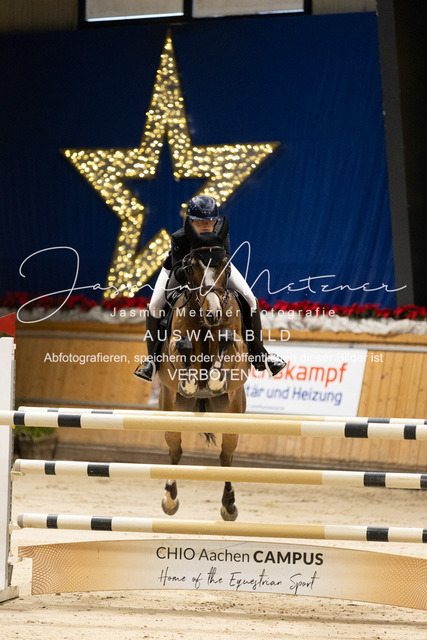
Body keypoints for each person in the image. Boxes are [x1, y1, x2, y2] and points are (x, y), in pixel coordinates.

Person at [134, 195, 286, 381]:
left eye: (210, 221)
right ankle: (152, 361)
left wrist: (212, 278)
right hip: (181, 271)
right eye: (200, 221)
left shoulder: (222, 235)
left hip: (216, 272)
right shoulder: (180, 237)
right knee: (155, 306)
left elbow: (225, 265)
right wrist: (194, 270)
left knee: (250, 300)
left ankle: (261, 355)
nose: (206, 225)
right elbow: (178, 272)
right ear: (190, 221)